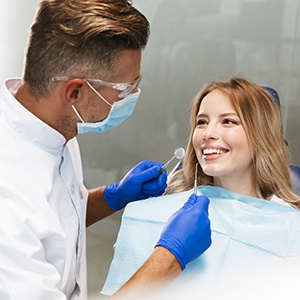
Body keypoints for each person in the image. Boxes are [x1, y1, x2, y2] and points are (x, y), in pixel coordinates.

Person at [0, 0, 212, 299]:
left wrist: (113, 196)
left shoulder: (55, 125)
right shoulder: (7, 198)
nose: (134, 96)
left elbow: (53, 221)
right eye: (125, 89)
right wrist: (170, 258)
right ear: (75, 91)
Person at [165, 77, 300, 210]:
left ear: (260, 136)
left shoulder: (286, 221)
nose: (207, 133)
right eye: (202, 122)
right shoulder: (172, 206)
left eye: (228, 121)